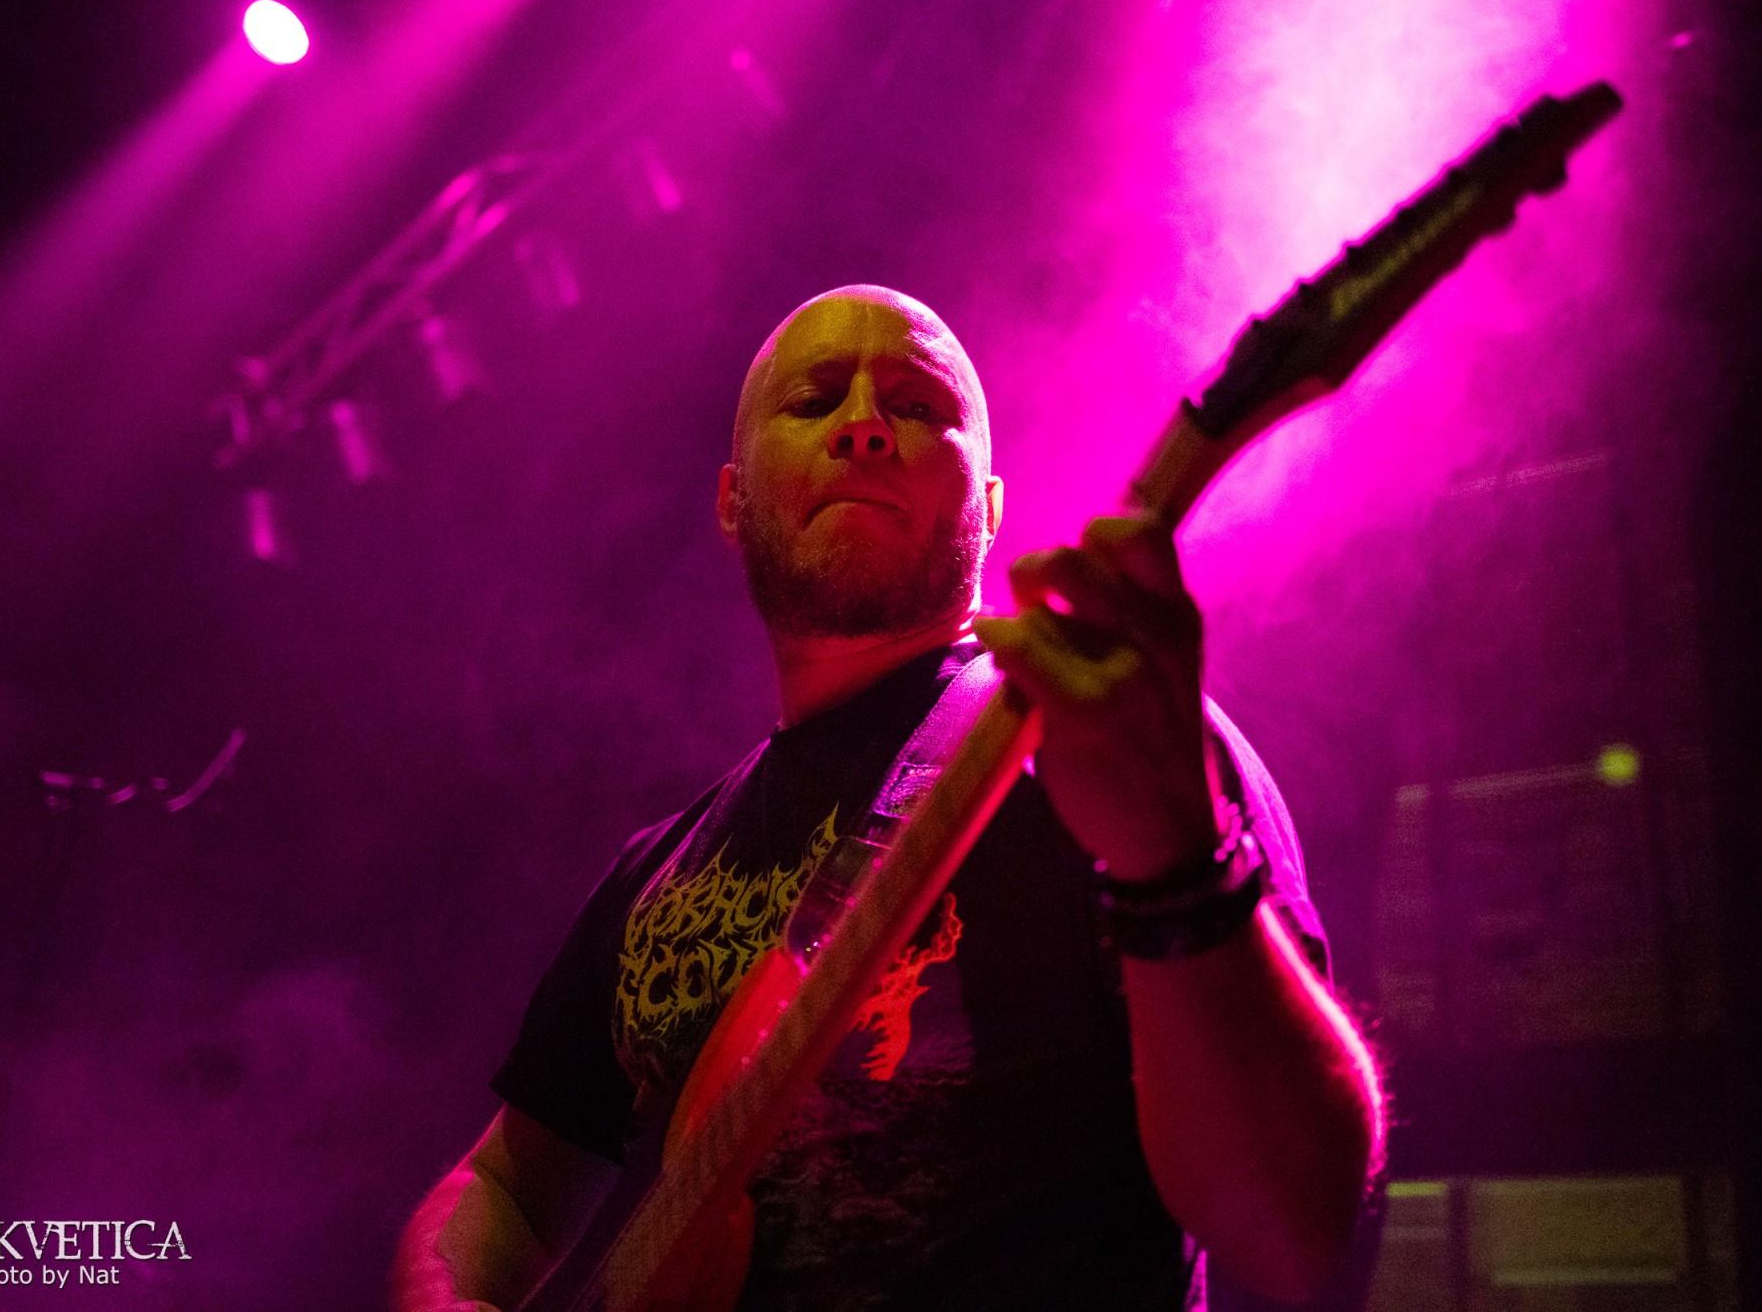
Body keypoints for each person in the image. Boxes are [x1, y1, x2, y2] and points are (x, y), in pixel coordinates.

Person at [391, 286, 1384, 1311]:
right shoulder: (655, 874)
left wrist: (1178, 863)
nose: (862, 424)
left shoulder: (1105, 744)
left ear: (989, 508)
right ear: (732, 502)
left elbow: (1291, 1227)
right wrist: (440, 1289)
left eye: (916, 406)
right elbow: (509, 1186)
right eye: (815, 399)